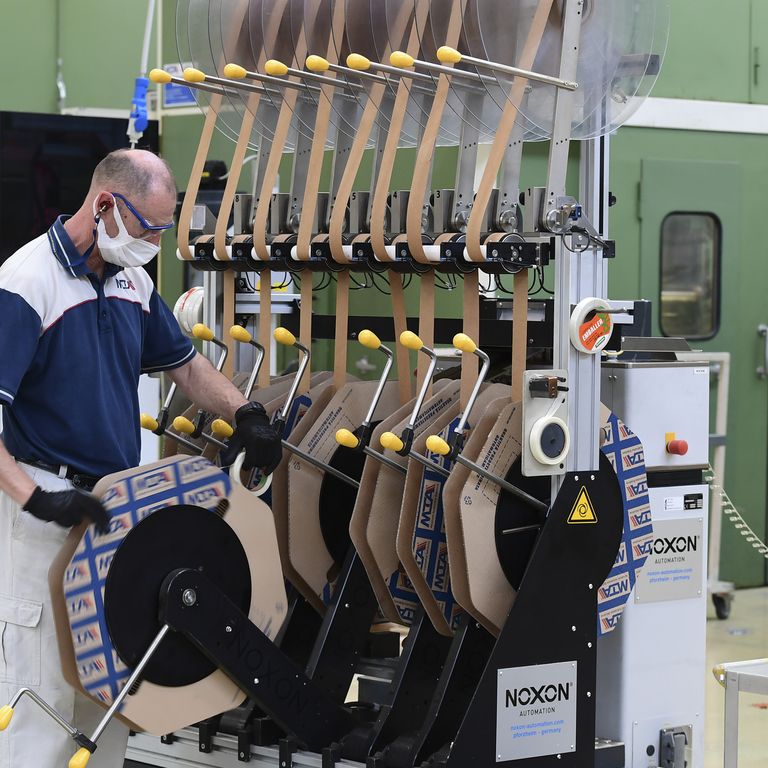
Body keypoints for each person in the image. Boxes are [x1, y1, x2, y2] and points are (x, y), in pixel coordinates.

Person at [0, 149, 282, 766]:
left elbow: (185, 364)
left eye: (163, 230)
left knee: (110, 695)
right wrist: (36, 497)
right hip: (44, 508)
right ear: (105, 205)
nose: (154, 244)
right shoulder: (25, 282)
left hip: (115, 508)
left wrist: (247, 415)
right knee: (43, 698)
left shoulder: (133, 281)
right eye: (149, 228)